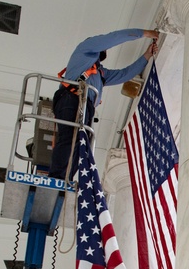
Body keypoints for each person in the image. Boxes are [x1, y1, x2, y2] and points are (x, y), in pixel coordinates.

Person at [48, 28, 158, 180]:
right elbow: (114, 38)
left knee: (80, 147)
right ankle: (56, 178)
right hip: (71, 99)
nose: (105, 48)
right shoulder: (85, 49)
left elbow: (124, 74)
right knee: (68, 139)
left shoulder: (100, 73)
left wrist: (147, 55)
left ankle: (65, 180)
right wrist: (145, 33)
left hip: (85, 106)